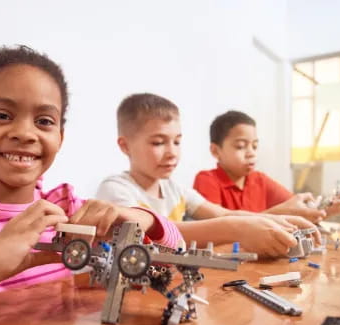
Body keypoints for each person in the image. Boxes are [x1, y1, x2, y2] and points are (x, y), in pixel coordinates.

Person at [0, 46, 182, 319]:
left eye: (44, 121)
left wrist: (141, 218)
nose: (25, 133)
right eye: (2, 115)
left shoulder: (67, 211)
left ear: (60, 138)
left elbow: (175, 259)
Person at [96, 93, 319, 257]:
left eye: (177, 141)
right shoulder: (115, 190)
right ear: (125, 146)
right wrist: (239, 229)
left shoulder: (175, 189)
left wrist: (279, 220)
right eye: (158, 142)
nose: (172, 152)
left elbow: (222, 214)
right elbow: (156, 233)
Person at [193, 110, 340, 223]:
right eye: (240, 146)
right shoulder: (207, 180)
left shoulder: (259, 180)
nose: (251, 153)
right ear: (215, 150)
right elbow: (218, 229)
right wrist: (279, 213)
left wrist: (328, 209)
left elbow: (298, 210)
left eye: (254, 146)